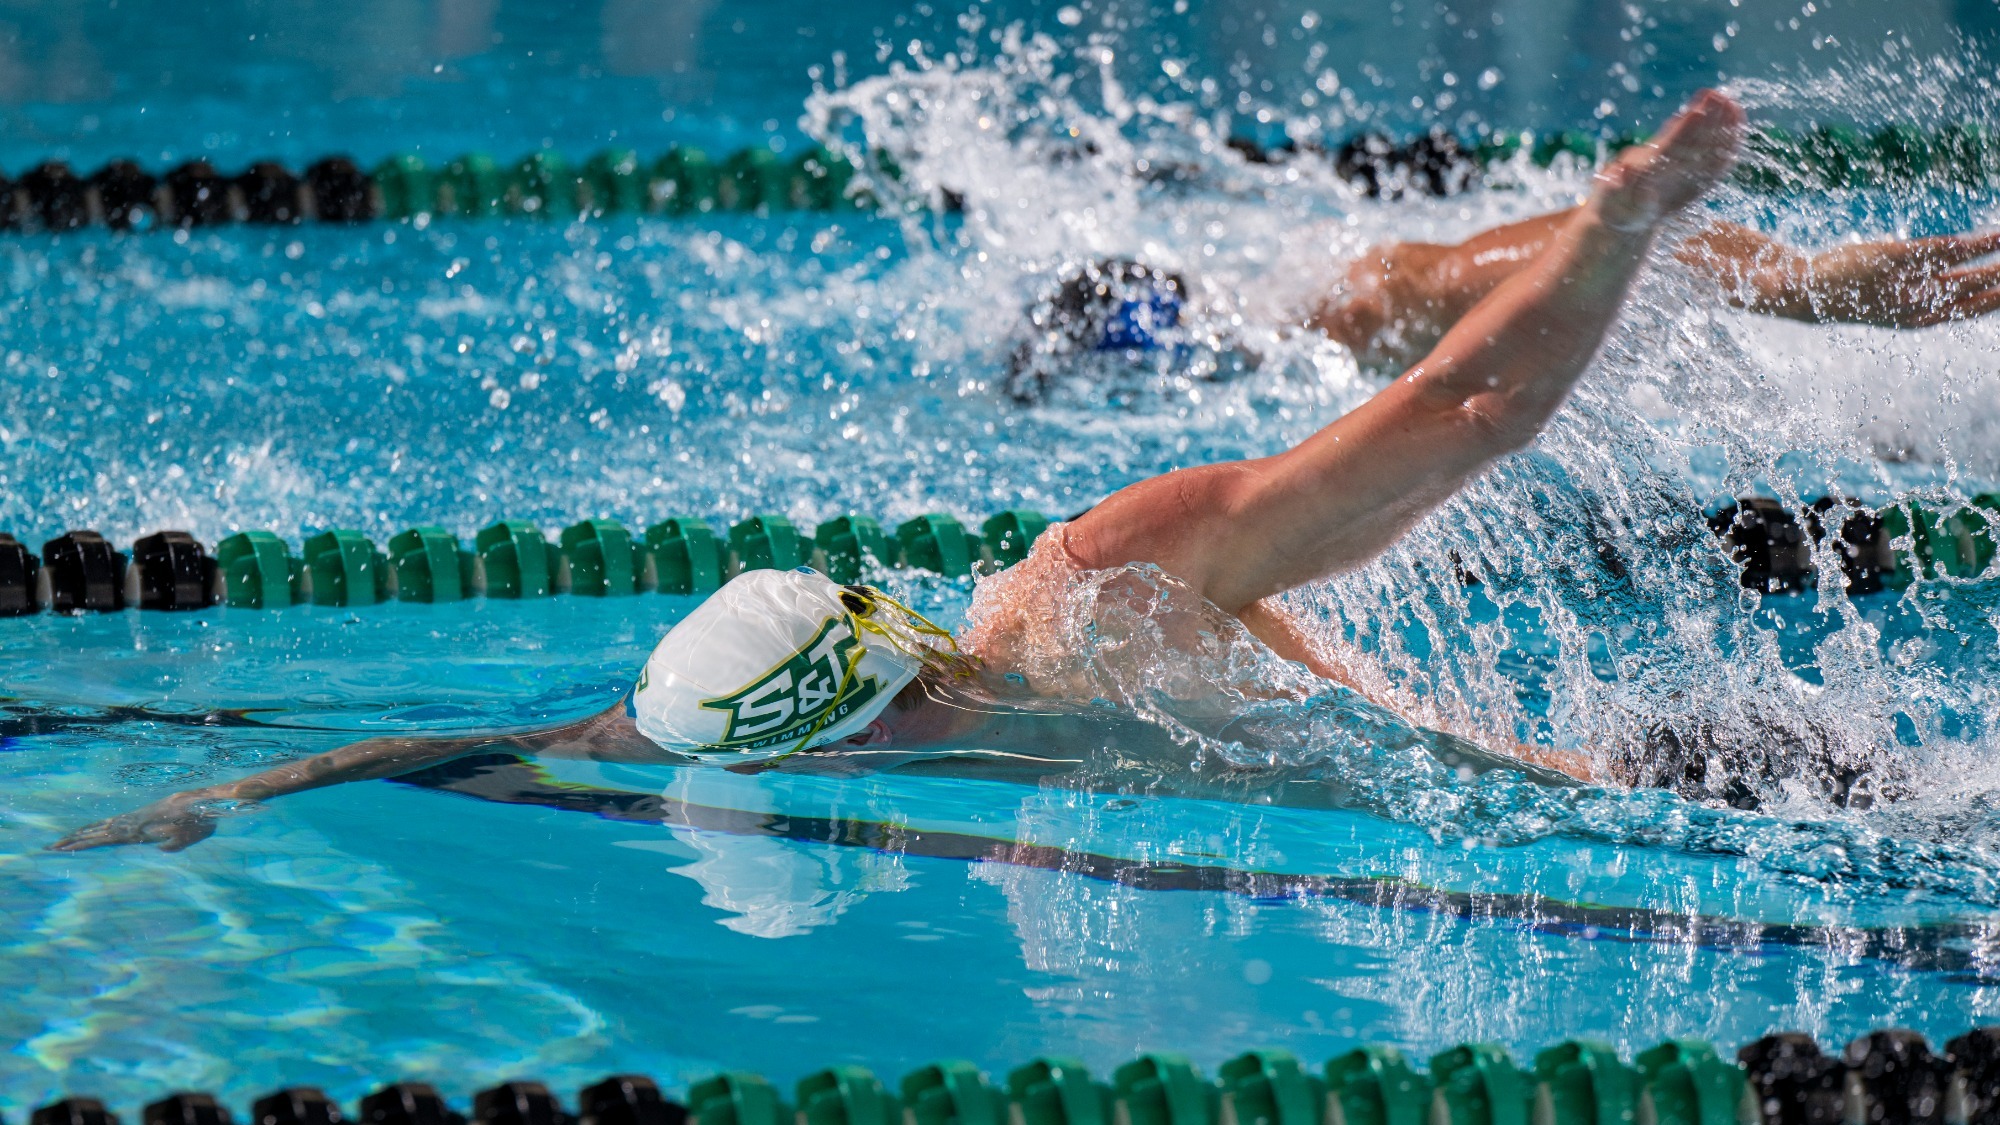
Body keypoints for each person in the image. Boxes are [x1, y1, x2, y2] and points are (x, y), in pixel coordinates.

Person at [50, 90, 2000, 853]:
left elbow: (1454, 427)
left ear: (867, 711)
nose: (811, 795)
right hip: (1589, 799)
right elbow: (529, 726)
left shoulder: (1105, 582)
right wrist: (227, 783)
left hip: (1688, 775)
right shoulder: (833, 713)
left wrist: (1616, 226)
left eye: (807, 769)